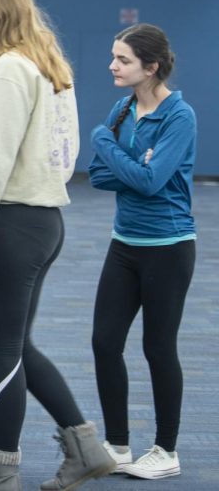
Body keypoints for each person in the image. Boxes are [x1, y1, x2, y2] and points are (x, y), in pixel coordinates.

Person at [0, 0, 114, 491]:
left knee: (1, 353)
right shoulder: (47, 62)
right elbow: (65, 152)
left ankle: (0, 468)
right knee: (16, 348)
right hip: (44, 220)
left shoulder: (12, 69)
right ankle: (86, 447)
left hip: (15, 221)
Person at [89, 24, 195, 481]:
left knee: (157, 347)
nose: (112, 66)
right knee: (104, 343)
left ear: (150, 67)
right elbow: (99, 177)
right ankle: (116, 445)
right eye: (113, 57)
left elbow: (151, 184)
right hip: (124, 243)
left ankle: (166, 450)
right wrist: (134, 164)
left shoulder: (179, 116)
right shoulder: (123, 107)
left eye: (123, 60)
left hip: (168, 247)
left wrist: (105, 143)